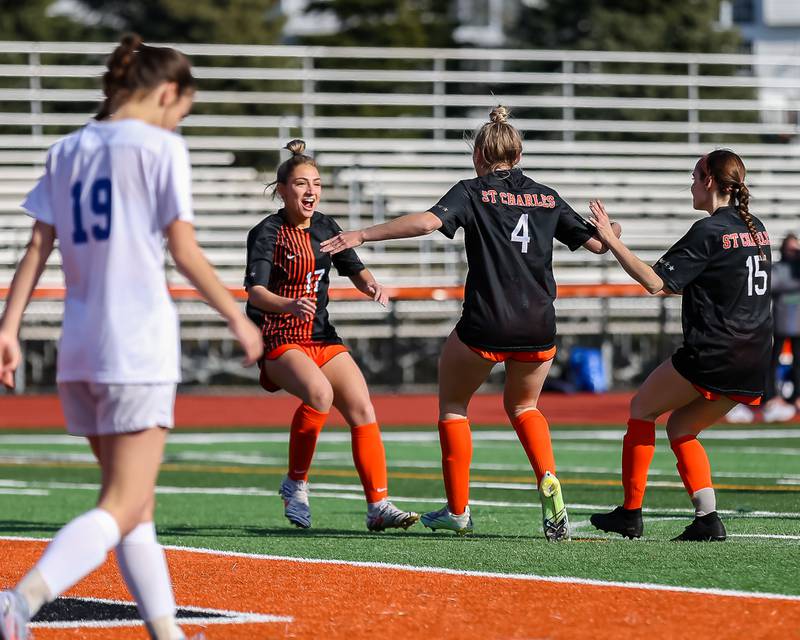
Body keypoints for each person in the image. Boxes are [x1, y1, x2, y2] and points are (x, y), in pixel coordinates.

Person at [0, 34, 263, 640]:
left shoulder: (67, 149)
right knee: (121, 504)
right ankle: (21, 604)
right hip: (137, 345)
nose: (180, 122)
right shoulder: (161, 147)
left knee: (133, 508)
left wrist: (8, 329)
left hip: (81, 350)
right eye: (183, 110)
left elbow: (38, 247)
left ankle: (166, 635)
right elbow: (185, 250)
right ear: (169, 93)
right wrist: (237, 317)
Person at [321, 106, 620, 541]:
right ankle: (548, 478)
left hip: (487, 321)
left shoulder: (472, 191)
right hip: (539, 323)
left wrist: (362, 235)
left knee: (453, 407)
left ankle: (458, 509)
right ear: (518, 157)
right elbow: (598, 245)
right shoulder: (546, 196)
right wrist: (613, 229)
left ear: (479, 154)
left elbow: (427, 222)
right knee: (525, 407)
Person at [587, 149, 771, 542]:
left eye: (694, 177)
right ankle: (707, 518)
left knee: (641, 409)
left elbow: (655, 283)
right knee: (683, 426)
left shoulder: (709, 231)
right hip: (755, 357)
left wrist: (609, 240)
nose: (690, 184)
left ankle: (631, 513)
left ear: (709, 181)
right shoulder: (757, 227)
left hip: (715, 351)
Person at [244, 139, 418, 533]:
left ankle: (378, 505)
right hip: (280, 335)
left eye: (317, 184)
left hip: (321, 335)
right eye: (302, 184)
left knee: (362, 407)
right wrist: (287, 304)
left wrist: (371, 284)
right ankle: (296, 483)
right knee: (319, 395)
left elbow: (353, 266)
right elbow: (254, 292)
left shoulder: (325, 225)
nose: (311, 192)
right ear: (283, 189)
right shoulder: (267, 232)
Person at [760, 233, 800, 422]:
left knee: (798, 363)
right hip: (781, 322)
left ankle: (796, 397)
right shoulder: (780, 268)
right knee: (772, 362)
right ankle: (771, 396)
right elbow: (773, 284)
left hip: (798, 323)